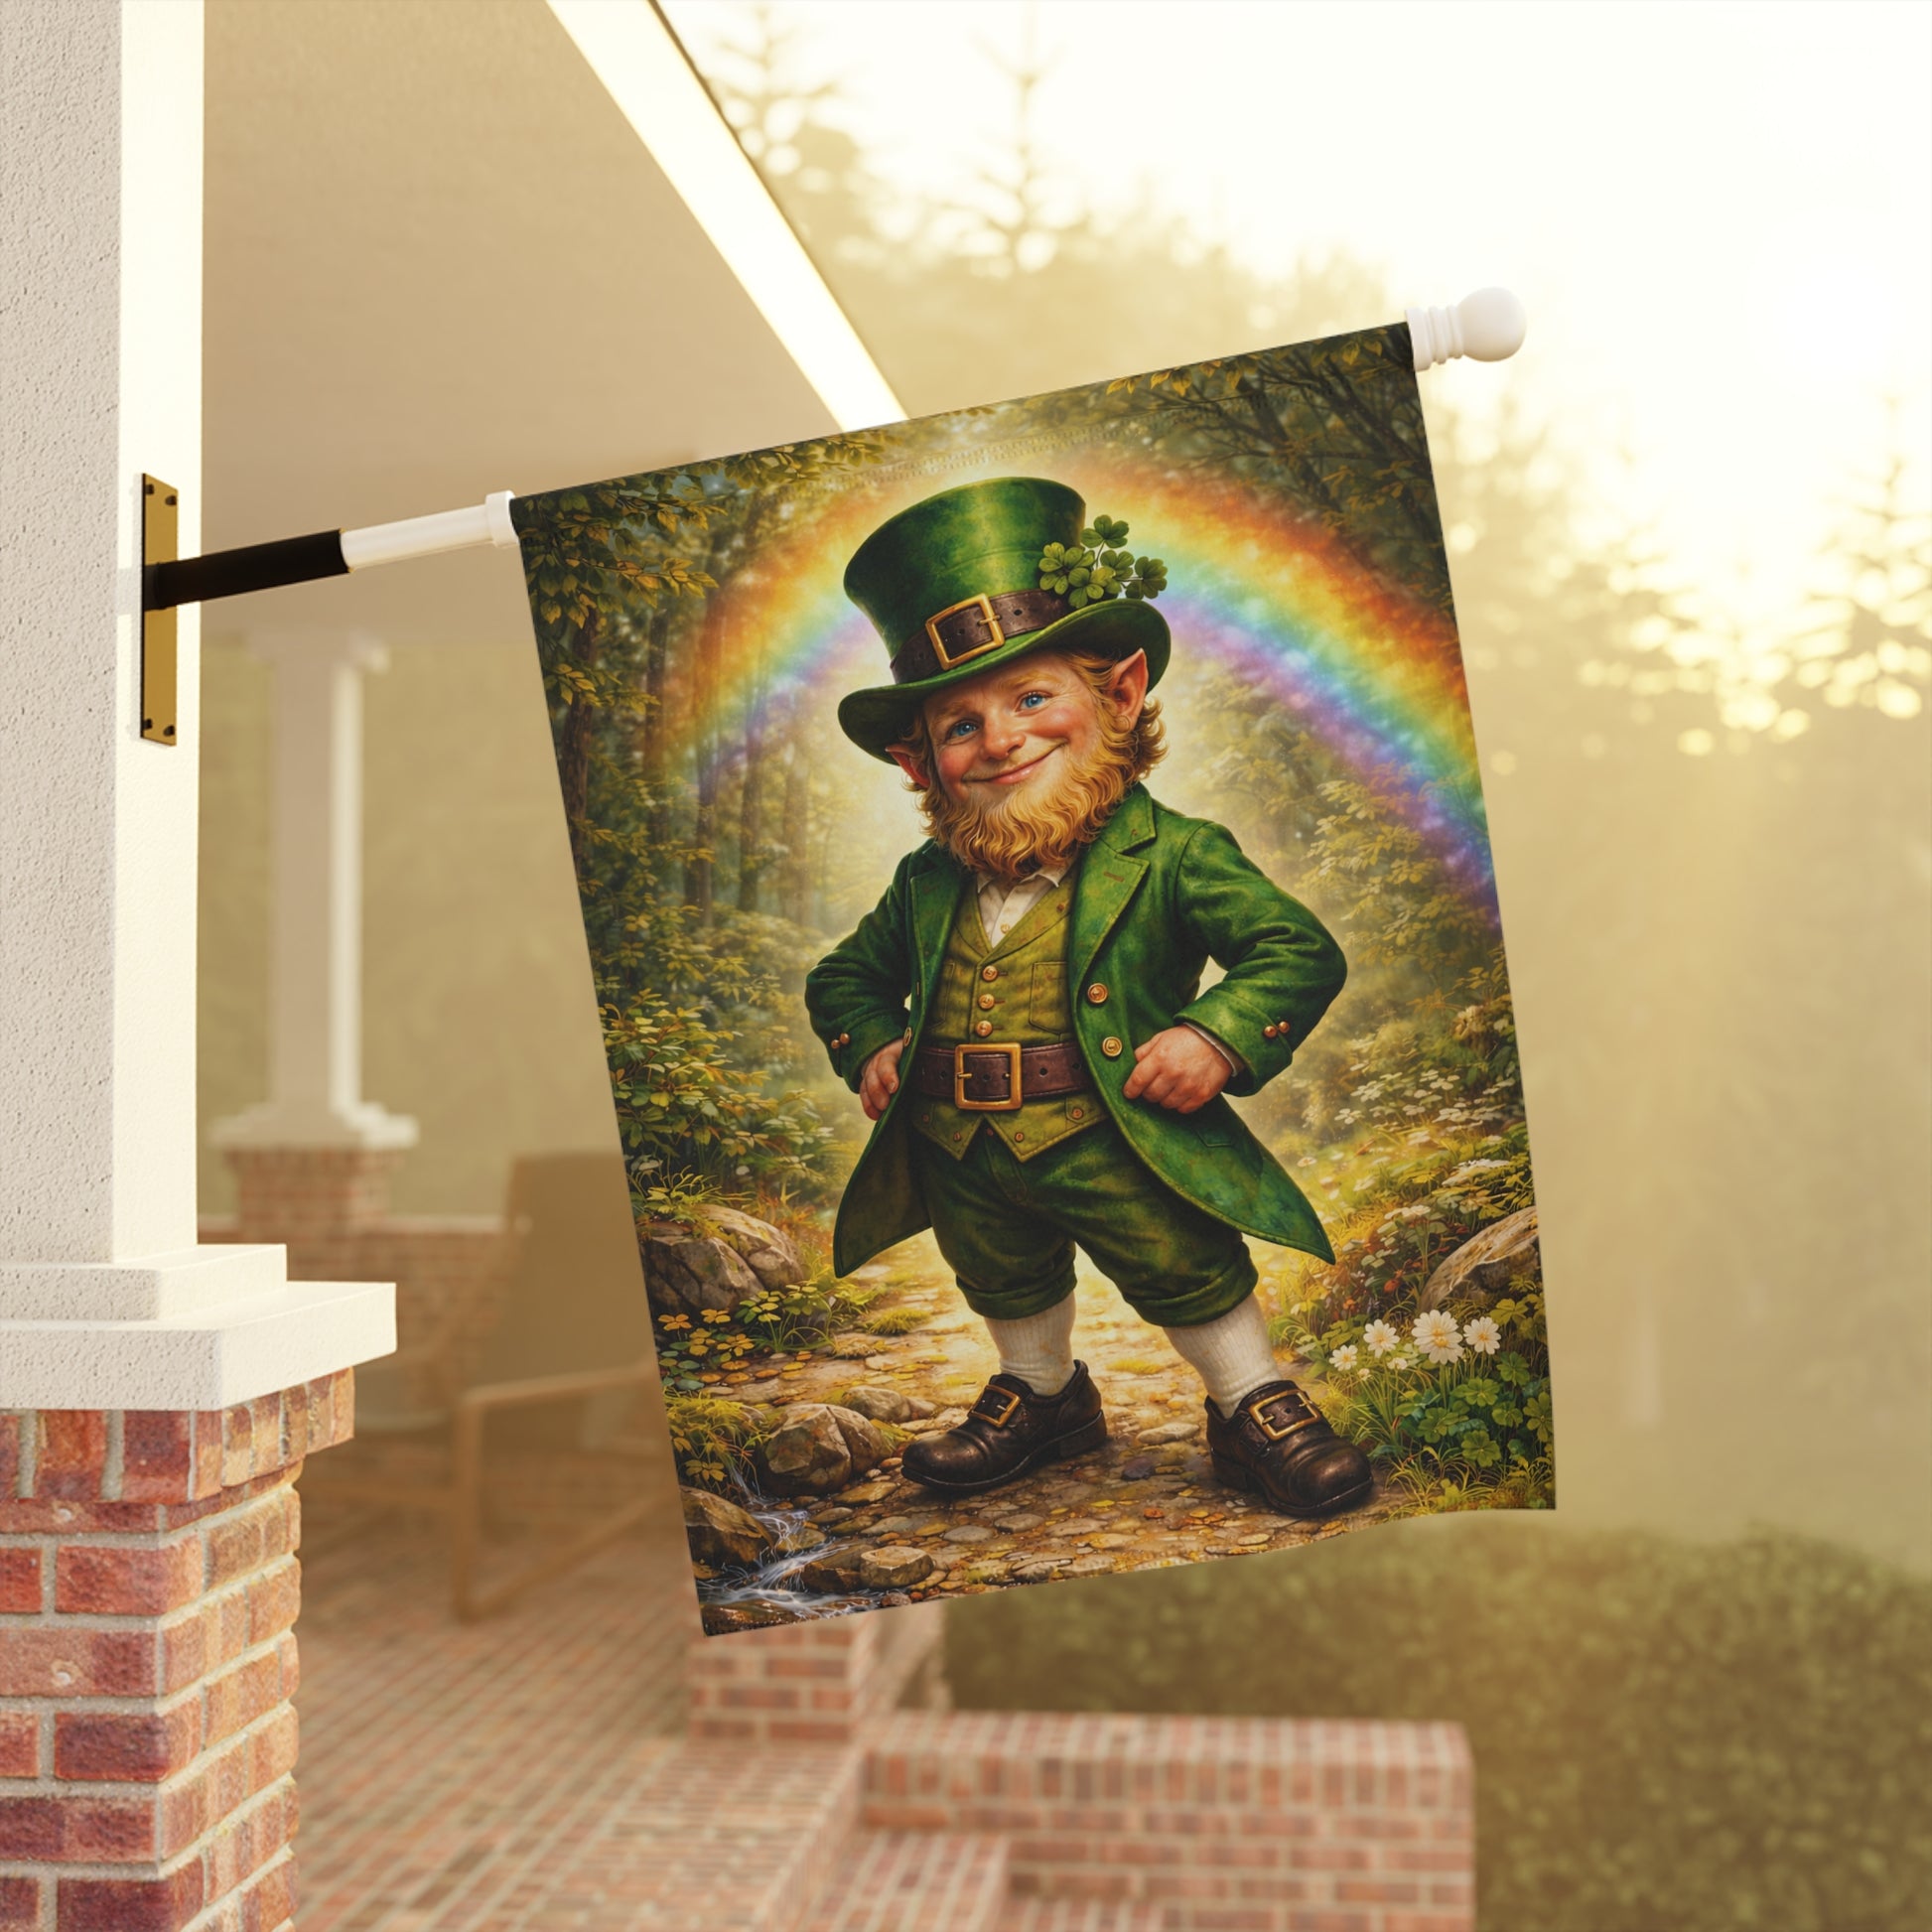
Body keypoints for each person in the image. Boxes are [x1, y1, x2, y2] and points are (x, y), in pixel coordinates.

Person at [803, 476, 1372, 1519]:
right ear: (915, 759)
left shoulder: (1175, 855)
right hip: (961, 1139)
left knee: (1181, 1261)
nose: (1000, 738)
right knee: (1000, 1270)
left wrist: (1215, 1034)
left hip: (1118, 1128)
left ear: (1117, 695)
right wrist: (872, 1041)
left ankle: (1250, 1400)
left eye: (1030, 698)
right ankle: (1044, 1392)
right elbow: (841, 977)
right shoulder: (926, 881)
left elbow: (1293, 950)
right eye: (958, 724)